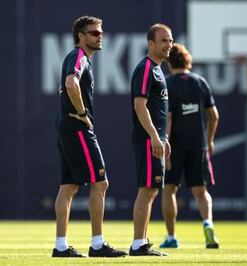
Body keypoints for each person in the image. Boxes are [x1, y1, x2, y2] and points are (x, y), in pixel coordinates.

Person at [53, 16, 127, 258]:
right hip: (77, 126)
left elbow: (68, 86)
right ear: (81, 37)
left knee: (69, 186)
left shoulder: (79, 58)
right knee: (100, 182)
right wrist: (83, 113)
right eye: (94, 33)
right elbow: (71, 83)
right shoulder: (78, 56)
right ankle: (97, 244)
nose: (99, 36)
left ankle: (61, 246)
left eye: (100, 32)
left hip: (66, 125)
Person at [160, 43, 220, 249]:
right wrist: (210, 139)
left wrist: (165, 149)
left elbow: (167, 118)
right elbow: (214, 116)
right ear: (187, 60)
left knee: (169, 191)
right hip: (198, 145)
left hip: (174, 145)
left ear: (169, 62)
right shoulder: (200, 82)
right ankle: (208, 223)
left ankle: (171, 237)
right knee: (201, 192)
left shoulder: (167, 84)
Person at [129, 23, 173, 256]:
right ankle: (138, 244)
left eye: (171, 40)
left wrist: (163, 138)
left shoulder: (157, 70)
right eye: (164, 40)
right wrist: (155, 136)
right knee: (147, 190)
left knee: (152, 190)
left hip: (155, 139)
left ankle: (142, 242)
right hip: (148, 139)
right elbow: (140, 105)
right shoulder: (146, 68)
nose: (169, 45)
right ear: (151, 44)